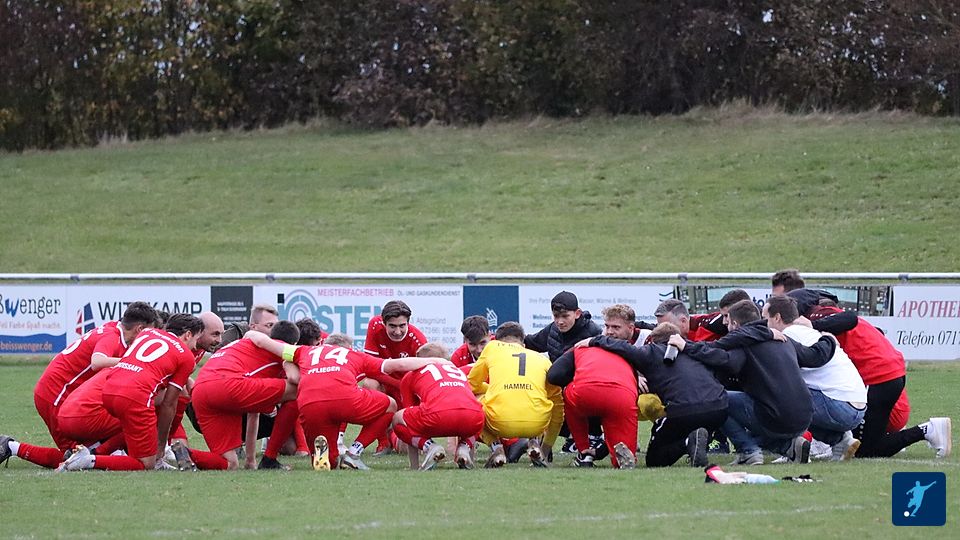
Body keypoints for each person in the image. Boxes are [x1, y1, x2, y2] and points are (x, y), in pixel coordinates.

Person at [789, 288, 952, 458]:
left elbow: (849, 318)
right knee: (862, 445)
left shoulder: (817, 315)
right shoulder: (821, 316)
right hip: (885, 373)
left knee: (866, 450)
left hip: (878, 377)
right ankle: (925, 430)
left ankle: (927, 430)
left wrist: (813, 325)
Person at [670, 299, 834, 465]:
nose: (725, 324)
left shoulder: (743, 343)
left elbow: (724, 359)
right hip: (806, 417)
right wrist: (828, 340)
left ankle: (748, 451)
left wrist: (687, 347)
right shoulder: (783, 339)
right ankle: (790, 446)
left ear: (735, 324)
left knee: (718, 400)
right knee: (755, 413)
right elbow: (814, 356)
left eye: (727, 320)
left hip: (777, 417)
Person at [15, 301, 157, 468]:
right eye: (149, 332)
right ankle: (11, 447)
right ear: (140, 329)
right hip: (55, 395)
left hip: (61, 392)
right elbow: (97, 361)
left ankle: (113, 452)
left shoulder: (114, 330)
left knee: (87, 453)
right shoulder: (112, 336)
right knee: (73, 458)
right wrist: (133, 363)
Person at [57, 314, 204, 471]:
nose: (195, 346)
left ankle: (95, 450)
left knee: (134, 422)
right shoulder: (187, 357)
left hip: (108, 390)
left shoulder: (147, 332)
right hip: (135, 397)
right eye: (196, 340)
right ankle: (89, 460)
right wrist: (161, 444)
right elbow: (170, 403)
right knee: (146, 463)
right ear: (188, 334)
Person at [288, 332, 450, 471]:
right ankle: (354, 452)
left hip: (311, 404)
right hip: (345, 400)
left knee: (331, 462)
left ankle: (328, 452)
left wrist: (293, 371)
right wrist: (438, 361)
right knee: (390, 405)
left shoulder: (305, 352)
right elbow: (398, 364)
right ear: (348, 348)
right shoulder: (352, 355)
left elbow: (279, 349)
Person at [577, 322, 728, 468]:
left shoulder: (651, 352)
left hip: (684, 410)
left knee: (655, 458)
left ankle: (688, 442)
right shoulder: (694, 349)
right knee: (696, 423)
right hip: (719, 408)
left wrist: (595, 340)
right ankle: (697, 442)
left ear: (653, 340)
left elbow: (624, 348)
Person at [183, 321, 302, 471]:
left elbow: (254, 411)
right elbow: (294, 378)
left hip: (200, 390)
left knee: (230, 463)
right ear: (294, 343)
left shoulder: (246, 345)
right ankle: (270, 459)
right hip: (228, 384)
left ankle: (185, 454)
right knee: (298, 390)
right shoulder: (281, 348)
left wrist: (250, 461)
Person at [763, 295, 866, 461]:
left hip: (839, 405)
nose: (764, 324)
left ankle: (793, 449)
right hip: (858, 407)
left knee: (778, 399)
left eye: (765, 319)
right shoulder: (808, 333)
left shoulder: (787, 336)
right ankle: (841, 441)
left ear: (777, 318)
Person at [469, 322, 564, 468]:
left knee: (475, 401)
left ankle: (496, 447)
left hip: (500, 423)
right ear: (523, 345)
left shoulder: (492, 348)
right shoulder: (543, 360)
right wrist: (547, 447)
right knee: (541, 400)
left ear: (498, 342)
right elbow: (558, 408)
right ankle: (535, 443)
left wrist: (490, 389)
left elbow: (471, 384)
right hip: (537, 424)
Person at [547, 331, 641, 469]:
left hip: (586, 391)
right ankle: (619, 459)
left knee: (568, 394)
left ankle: (584, 451)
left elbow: (554, 375)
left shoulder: (580, 348)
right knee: (619, 433)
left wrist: (574, 377)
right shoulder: (629, 353)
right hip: (623, 395)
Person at [523, 291, 602, 456]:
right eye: (556, 316)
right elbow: (530, 343)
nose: (560, 321)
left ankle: (594, 435)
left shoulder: (593, 332)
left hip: (587, 388)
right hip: (560, 387)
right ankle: (567, 436)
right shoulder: (553, 329)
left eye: (565, 316)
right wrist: (504, 340)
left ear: (577, 313)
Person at [392, 342, 485, 470]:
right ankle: (465, 448)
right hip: (473, 417)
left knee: (398, 418)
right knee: (477, 413)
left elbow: (407, 416)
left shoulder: (412, 375)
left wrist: (414, 466)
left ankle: (429, 447)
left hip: (437, 416)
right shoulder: (458, 371)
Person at [362, 300, 429, 454]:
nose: (398, 331)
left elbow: (424, 378)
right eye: (392, 326)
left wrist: (405, 390)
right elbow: (369, 369)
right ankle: (383, 442)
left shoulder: (418, 340)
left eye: (402, 326)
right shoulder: (374, 325)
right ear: (383, 323)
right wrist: (397, 385)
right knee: (369, 384)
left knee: (406, 449)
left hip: (408, 390)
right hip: (388, 384)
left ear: (408, 323)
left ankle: (394, 434)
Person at [654, 298, 726, 342]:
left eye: (668, 326)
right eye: (660, 327)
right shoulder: (665, 338)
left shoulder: (710, 324)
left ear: (683, 321)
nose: (663, 331)